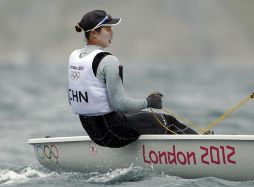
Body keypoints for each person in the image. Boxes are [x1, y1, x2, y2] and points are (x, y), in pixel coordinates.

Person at [68, 10, 197, 148]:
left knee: (141, 116)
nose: (112, 33)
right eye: (108, 28)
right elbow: (121, 105)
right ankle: (203, 146)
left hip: (94, 133)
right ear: (94, 32)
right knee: (168, 121)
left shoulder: (74, 56)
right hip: (114, 133)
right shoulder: (108, 60)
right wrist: (149, 102)